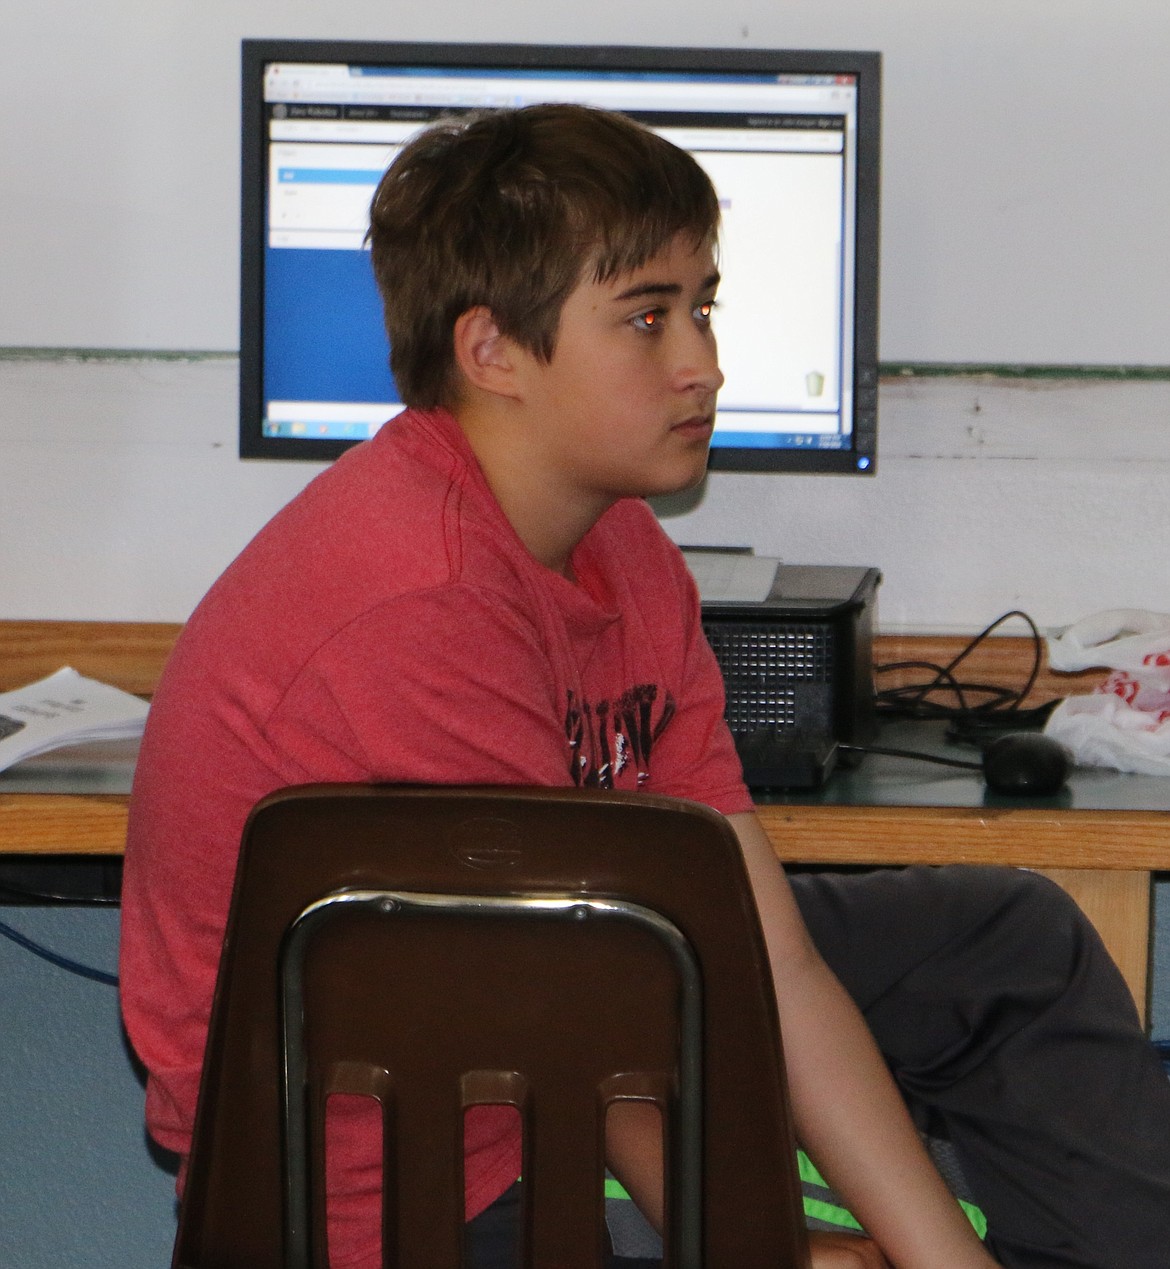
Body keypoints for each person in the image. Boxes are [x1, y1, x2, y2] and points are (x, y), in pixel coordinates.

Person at [119, 104, 1170, 1269]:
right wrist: (759, 1247)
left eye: (702, 306)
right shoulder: (420, 602)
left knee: (1007, 938)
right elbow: (586, 1033)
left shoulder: (629, 555)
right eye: (647, 318)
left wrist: (938, 1259)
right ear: (493, 353)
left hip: (552, 1050)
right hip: (382, 1193)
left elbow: (762, 955)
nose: (703, 362)